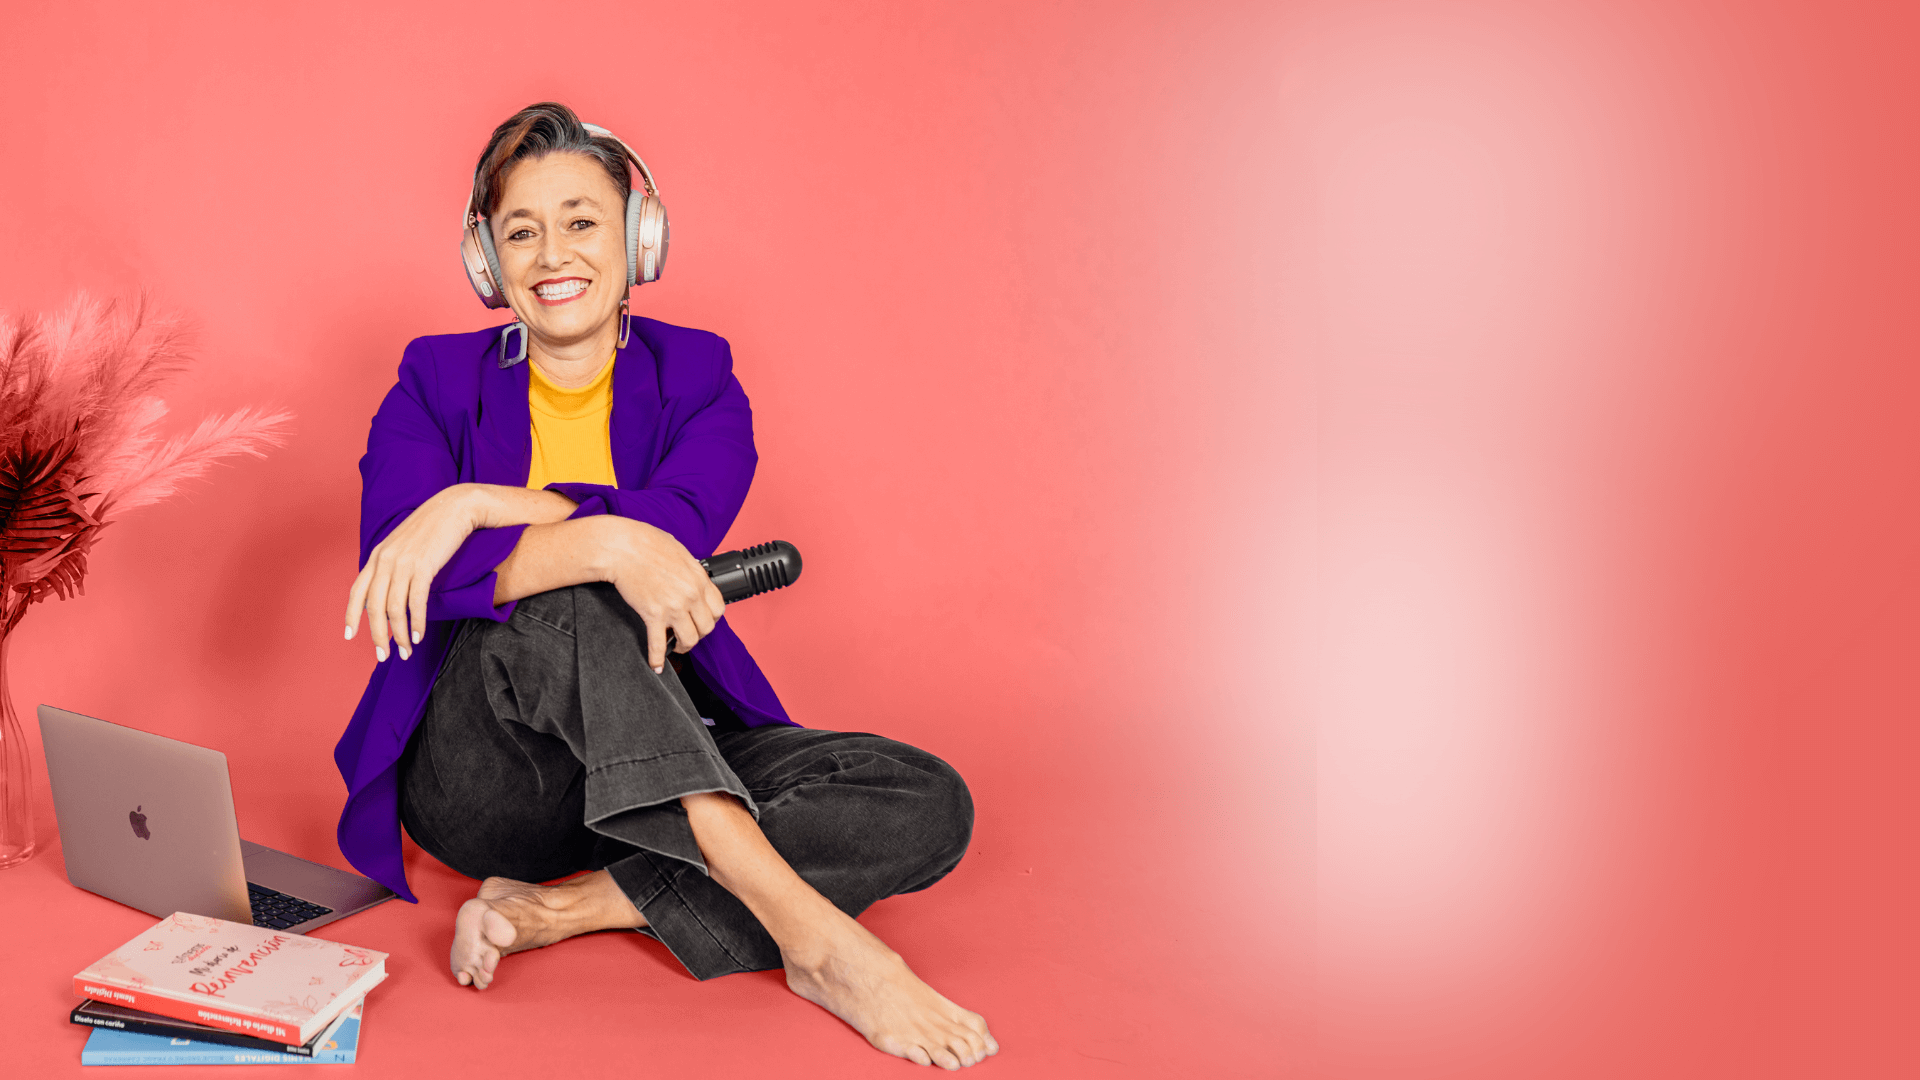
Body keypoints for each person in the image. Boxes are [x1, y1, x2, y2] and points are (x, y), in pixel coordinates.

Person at [331, 102, 997, 1071]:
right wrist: (599, 542)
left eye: (581, 221)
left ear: (639, 237)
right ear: (487, 259)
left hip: (647, 756)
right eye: (521, 231)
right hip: (489, 777)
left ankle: (563, 909)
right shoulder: (432, 379)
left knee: (925, 798)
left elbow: (671, 534)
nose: (552, 254)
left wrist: (479, 508)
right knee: (568, 596)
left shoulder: (698, 373)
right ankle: (815, 939)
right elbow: (409, 580)